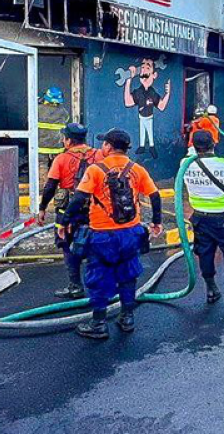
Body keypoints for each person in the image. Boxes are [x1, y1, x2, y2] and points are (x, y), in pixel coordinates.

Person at [60, 128, 162, 339]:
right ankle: (126, 317)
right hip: (131, 232)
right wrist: (157, 222)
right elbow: (155, 195)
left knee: (98, 276)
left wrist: (64, 222)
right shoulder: (137, 169)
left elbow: (78, 199)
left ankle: (98, 323)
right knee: (128, 274)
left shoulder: (96, 170)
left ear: (107, 146)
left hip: (102, 234)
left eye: (103, 143)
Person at [183, 131, 224, 307]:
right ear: (214, 144)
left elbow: (190, 154)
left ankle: (211, 289)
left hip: (199, 218)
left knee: (204, 252)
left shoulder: (186, 164)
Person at [37, 123, 103, 299]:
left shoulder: (61, 159)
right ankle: (98, 287)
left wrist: (42, 208)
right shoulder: (99, 155)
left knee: (67, 245)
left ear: (68, 140)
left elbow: (50, 186)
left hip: (67, 211)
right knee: (94, 246)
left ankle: (75, 286)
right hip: (94, 210)